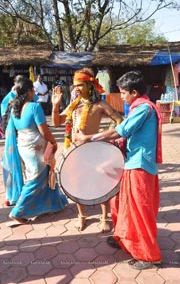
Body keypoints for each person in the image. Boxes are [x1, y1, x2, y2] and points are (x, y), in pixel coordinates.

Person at [74, 70, 163, 270]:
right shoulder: (139, 107)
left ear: (134, 92)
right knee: (121, 204)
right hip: (132, 163)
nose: (121, 97)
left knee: (139, 211)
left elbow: (118, 130)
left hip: (139, 166)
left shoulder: (143, 109)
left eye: (123, 93)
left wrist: (87, 138)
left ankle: (149, 256)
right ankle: (125, 238)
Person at [52, 67, 123, 232]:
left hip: (94, 150)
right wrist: (55, 105)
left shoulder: (99, 105)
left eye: (80, 85)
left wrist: (105, 137)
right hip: (74, 151)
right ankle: (82, 216)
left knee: (101, 182)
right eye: (75, 85)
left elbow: (119, 120)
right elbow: (56, 122)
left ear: (90, 86)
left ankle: (104, 217)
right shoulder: (73, 105)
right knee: (77, 183)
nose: (77, 88)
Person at [7, 78, 68, 225]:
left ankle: (54, 204)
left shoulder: (13, 107)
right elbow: (44, 131)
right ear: (28, 92)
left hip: (23, 146)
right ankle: (17, 211)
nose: (34, 92)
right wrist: (53, 142)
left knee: (45, 173)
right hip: (37, 148)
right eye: (33, 90)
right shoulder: (35, 107)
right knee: (35, 178)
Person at [1, 75, 33, 206]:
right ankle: (16, 193)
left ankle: (15, 194)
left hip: (17, 134)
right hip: (16, 135)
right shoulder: (13, 97)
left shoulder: (18, 97)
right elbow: (5, 112)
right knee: (18, 164)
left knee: (15, 164)